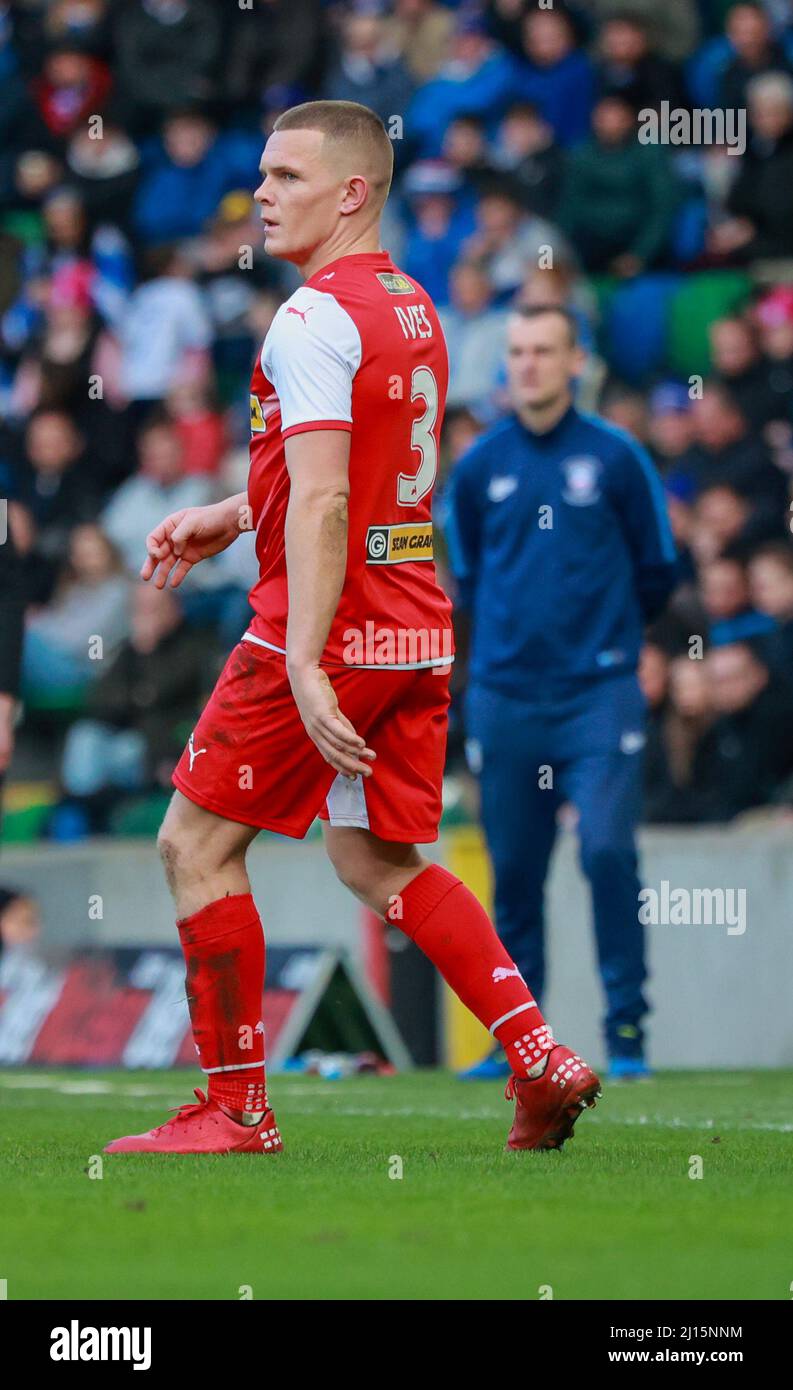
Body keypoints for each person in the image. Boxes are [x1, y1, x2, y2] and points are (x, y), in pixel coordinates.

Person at [103, 100, 601, 1158]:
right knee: (378, 862)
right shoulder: (411, 308)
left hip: (324, 624)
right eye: (262, 177)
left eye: (285, 177)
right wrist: (237, 511)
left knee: (192, 842)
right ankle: (540, 1058)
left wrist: (302, 658)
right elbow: (356, 478)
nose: (261, 197)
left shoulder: (309, 316)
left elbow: (328, 505)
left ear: (352, 193)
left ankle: (235, 1107)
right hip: (413, 622)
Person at [445, 304, 677, 1081]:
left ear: (578, 361)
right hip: (506, 695)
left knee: (608, 851)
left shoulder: (616, 458)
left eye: (544, 350)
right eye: (516, 351)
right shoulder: (478, 468)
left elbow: (657, 569)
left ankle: (628, 1029)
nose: (528, 365)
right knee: (512, 870)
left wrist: (609, 646)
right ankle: (521, 1042)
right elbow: (469, 578)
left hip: (597, 693)